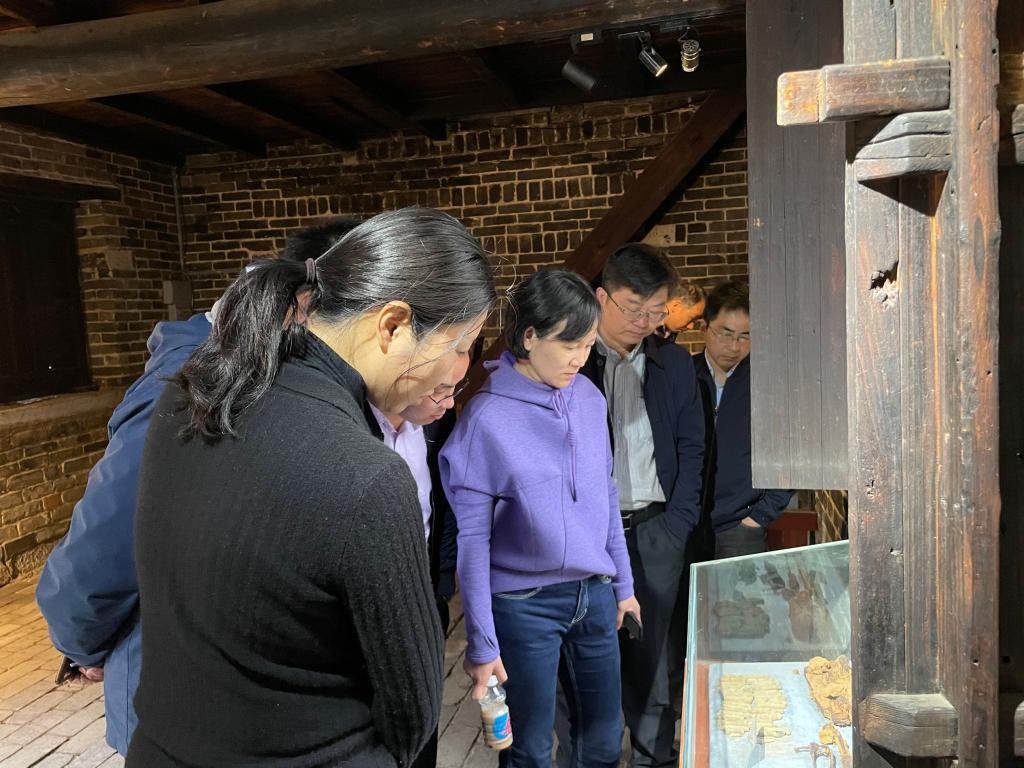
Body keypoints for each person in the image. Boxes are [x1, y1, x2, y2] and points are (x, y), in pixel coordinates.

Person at [127, 207, 497, 767]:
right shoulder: (366, 476)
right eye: (462, 345)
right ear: (393, 326)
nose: (460, 370)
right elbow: (412, 714)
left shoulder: (191, 393)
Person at [35, 216, 361, 756]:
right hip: (176, 687)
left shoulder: (280, 364)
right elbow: (110, 532)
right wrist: (81, 638)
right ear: (308, 300)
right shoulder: (195, 380)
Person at [441, 268, 639, 768]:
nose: (580, 358)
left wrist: (623, 586)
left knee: (603, 740)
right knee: (529, 749)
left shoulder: (589, 398)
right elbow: (472, 542)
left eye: (588, 344)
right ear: (529, 336)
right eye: (569, 344)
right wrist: (482, 642)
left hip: (594, 593)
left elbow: (606, 494)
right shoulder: (486, 417)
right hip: (523, 604)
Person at [578, 243, 704, 768]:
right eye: (634, 309)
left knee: (655, 659)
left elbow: (693, 447)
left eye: (656, 311)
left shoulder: (673, 363)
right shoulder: (573, 363)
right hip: (588, 536)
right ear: (601, 298)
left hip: (656, 531)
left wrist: (678, 524)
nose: (645, 322)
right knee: (590, 653)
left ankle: (655, 758)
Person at [368, 365, 469, 768]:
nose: (448, 403)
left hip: (424, 592)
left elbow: (442, 507)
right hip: (372, 600)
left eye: (454, 390)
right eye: (439, 390)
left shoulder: (432, 426)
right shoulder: (354, 426)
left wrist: (440, 586)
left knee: (423, 717)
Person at [692, 281, 793, 559]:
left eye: (745, 336)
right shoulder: (683, 376)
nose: (734, 346)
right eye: (725, 334)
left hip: (741, 527)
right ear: (704, 329)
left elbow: (789, 451)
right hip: (685, 523)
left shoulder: (767, 383)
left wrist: (759, 517)